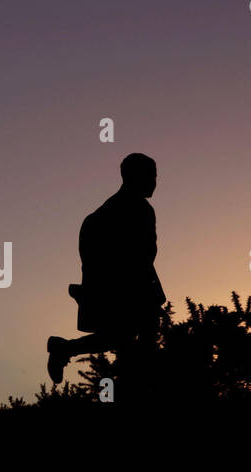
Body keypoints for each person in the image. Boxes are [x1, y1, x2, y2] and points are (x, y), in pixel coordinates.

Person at [46, 153, 165, 396]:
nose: (154, 182)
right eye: (151, 176)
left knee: (118, 339)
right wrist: (147, 296)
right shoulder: (140, 209)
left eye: (155, 177)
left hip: (114, 289)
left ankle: (65, 349)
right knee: (133, 343)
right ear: (134, 177)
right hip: (129, 289)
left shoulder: (97, 216)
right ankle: (139, 391)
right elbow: (144, 255)